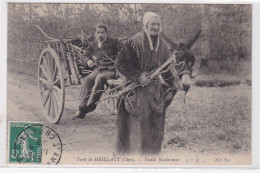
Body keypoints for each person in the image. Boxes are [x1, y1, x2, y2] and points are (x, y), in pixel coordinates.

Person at [115, 12, 173, 154]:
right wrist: (138, 76)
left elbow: (166, 69)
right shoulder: (134, 42)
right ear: (146, 25)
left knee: (156, 123)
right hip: (136, 90)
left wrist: (173, 83)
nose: (155, 27)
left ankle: (152, 155)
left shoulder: (164, 46)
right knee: (139, 124)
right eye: (153, 24)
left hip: (155, 92)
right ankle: (133, 156)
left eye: (158, 24)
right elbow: (120, 63)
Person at [71, 24, 122, 120]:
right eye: (98, 33)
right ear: (94, 33)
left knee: (100, 78)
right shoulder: (93, 44)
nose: (100, 35)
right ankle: (81, 109)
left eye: (102, 32)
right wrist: (87, 60)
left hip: (111, 69)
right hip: (99, 69)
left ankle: (91, 105)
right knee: (88, 79)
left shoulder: (113, 42)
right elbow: (83, 56)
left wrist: (119, 61)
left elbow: (124, 51)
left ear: (106, 33)